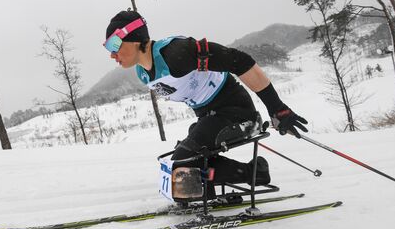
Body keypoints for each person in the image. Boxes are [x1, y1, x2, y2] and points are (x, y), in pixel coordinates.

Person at [104, 10, 308, 200]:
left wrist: (277, 108)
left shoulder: (176, 53)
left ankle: (221, 188)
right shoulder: (143, 73)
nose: (111, 55)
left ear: (135, 38)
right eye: (107, 48)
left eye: (114, 45)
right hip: (208, 117)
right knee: (181, 169)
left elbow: (239, 61)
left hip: (236, 112)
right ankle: (254, 173)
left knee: (182, 166)